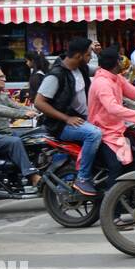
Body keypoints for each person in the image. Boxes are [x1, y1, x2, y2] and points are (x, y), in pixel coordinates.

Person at [33, 37, 104, 197]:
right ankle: (83, 178)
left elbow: (102, 69)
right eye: (88, 55)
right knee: (93, 134)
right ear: (79, 56)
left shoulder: (82, 68)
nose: (89, 58)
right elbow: (39, 102)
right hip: (60, 125)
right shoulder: (56, 75)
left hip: (81, 118)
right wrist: (66, 118)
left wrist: (101, 54)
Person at [88, 48, 135, 173]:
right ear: (116, 63)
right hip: (105, 133)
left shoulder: (116, 78)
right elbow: (112, 108)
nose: (122, 61)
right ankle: (111, 192)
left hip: (117, 129)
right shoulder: (102, 82)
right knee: (117, 169)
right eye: (120, 59)